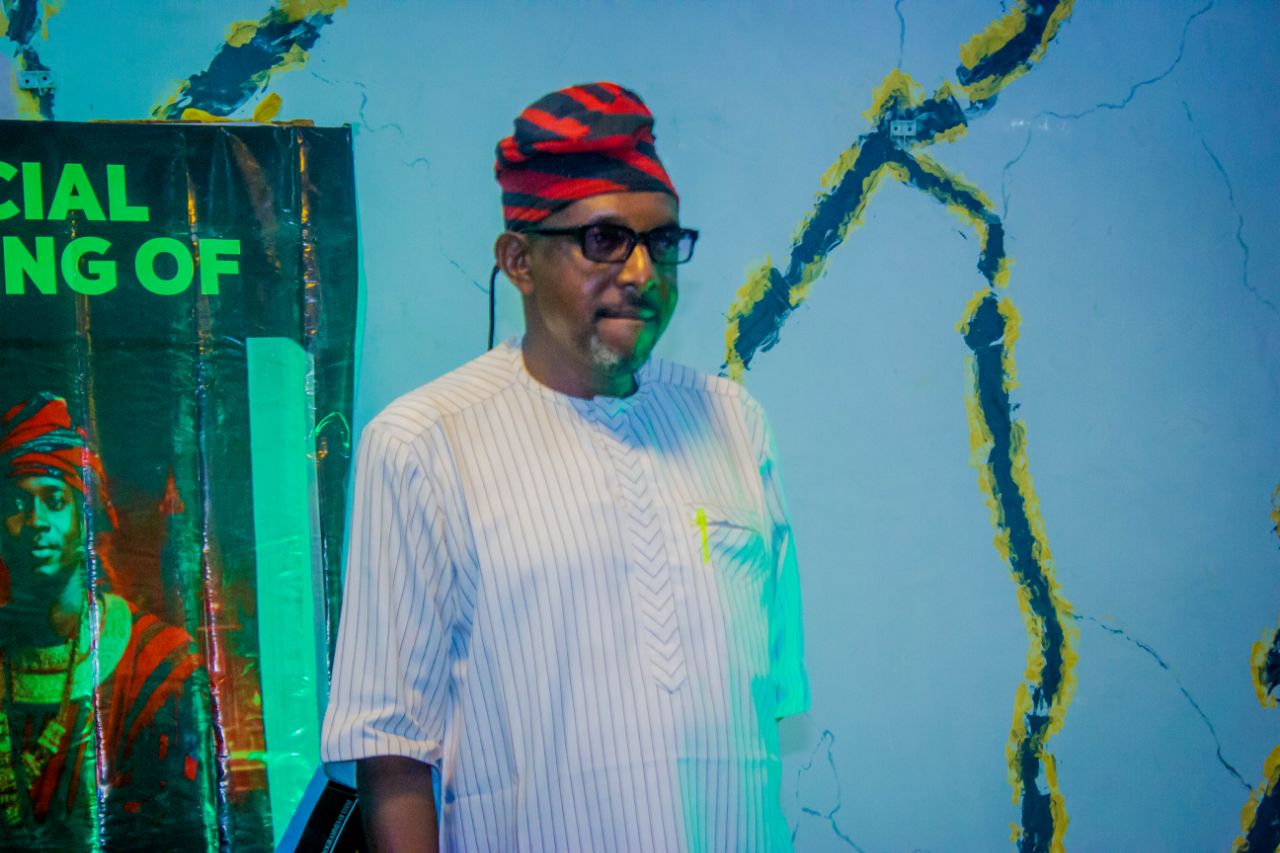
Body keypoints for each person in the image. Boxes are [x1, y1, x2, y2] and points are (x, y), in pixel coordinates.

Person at [322, 82, 809, 851]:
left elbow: (765, 700)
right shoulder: (423, 442)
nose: (642, 271)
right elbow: (393, 754)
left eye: (661, 241)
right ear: (518, 260)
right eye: (605, 240)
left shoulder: (734, 423)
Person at [0, 393, 210, 850]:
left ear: (85, 518)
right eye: (17, 504)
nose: (36, 521)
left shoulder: (156, 661)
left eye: (55, 500)